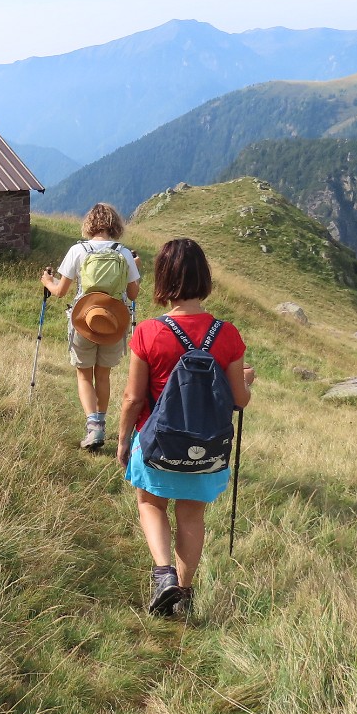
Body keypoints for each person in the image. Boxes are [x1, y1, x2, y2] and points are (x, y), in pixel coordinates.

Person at [115, 237, 254, 617]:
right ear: (204, 278)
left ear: (162, 278)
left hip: (157, 443)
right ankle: (186, 593)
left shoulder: (146, 332)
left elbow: (132, 398)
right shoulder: (228, 334)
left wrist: (123, 440)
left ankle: (164, 576)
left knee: (150, 503)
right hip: (206, 448)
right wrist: (246, 381)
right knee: (192, 517)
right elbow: (239, 400)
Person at [40, 203, 141, 450]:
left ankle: (93, 427)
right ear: (115, 225)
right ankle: (103, 424)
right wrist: (135, 266)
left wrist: (47, 281)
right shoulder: (123, 253)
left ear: (89, 224)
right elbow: (134, 293)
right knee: (103, 374)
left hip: (83, 320)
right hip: (114, 322)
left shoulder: (78, 250)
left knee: (84, 373)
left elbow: (61, 292)